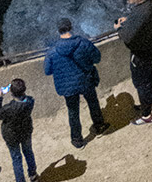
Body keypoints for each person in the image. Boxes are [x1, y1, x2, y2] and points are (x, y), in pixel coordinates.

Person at [44, 17, 108, 148]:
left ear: (58, 31)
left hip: (68, 86)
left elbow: (47, 71)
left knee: (73, 111)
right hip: (85, 80)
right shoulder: (83, 43)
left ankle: (77, 140)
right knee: (93, 103)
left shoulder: (52, 51)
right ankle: (99, 126)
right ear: (71, 27)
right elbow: (97, 58)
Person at [114, 0, 152, 125]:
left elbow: (128, 37)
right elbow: (140, 20)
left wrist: (118, 28)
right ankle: (150, 103)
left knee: (141, 83)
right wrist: (130, 20)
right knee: (150, 76)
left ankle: (146, 114)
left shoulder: (140, 13)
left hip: (141, 53)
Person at [0, 79, 38, 182]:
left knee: (16, 158)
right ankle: (33, 175)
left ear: (12, 93)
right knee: (28, 152)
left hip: (11, 136)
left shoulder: (8, 108)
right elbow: (24, 98)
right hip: (25, 132)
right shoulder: (30, 101)